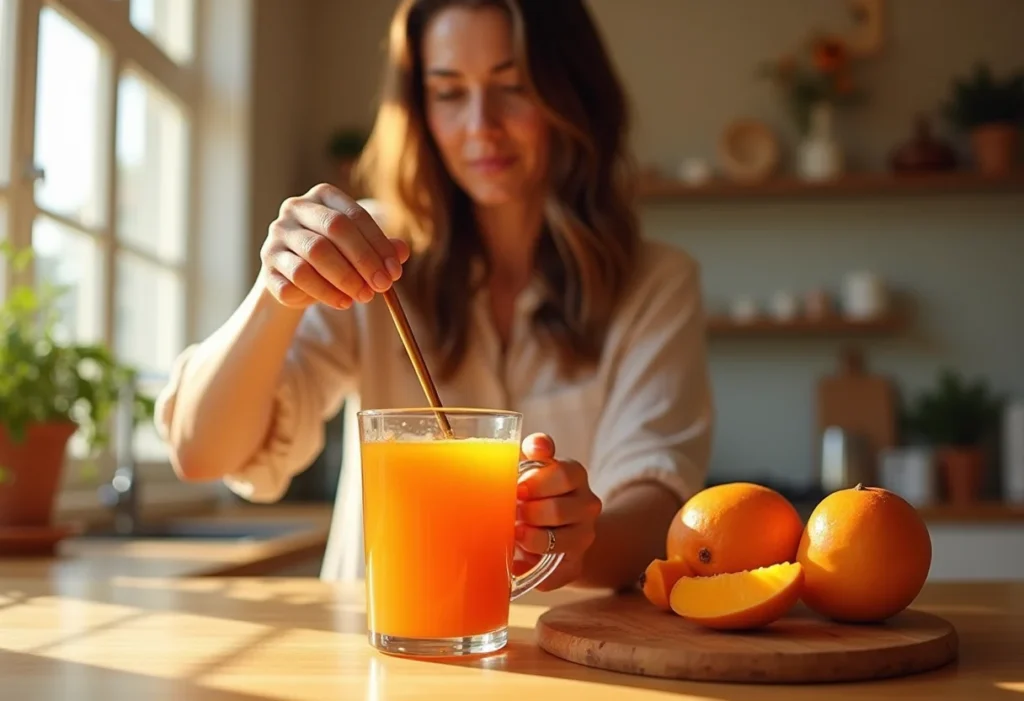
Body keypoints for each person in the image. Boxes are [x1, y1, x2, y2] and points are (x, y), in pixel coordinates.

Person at [155, 0, 714, 592]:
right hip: (377, 661)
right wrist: (274, 296)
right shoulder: (369, 252)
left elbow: (657, 501)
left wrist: (567, 545)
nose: (481, 125)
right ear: (419, 107)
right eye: (448, 92)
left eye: (514, 85)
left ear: (573, 95)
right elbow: (202, 454)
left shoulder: (655, 282)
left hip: (561, 662)